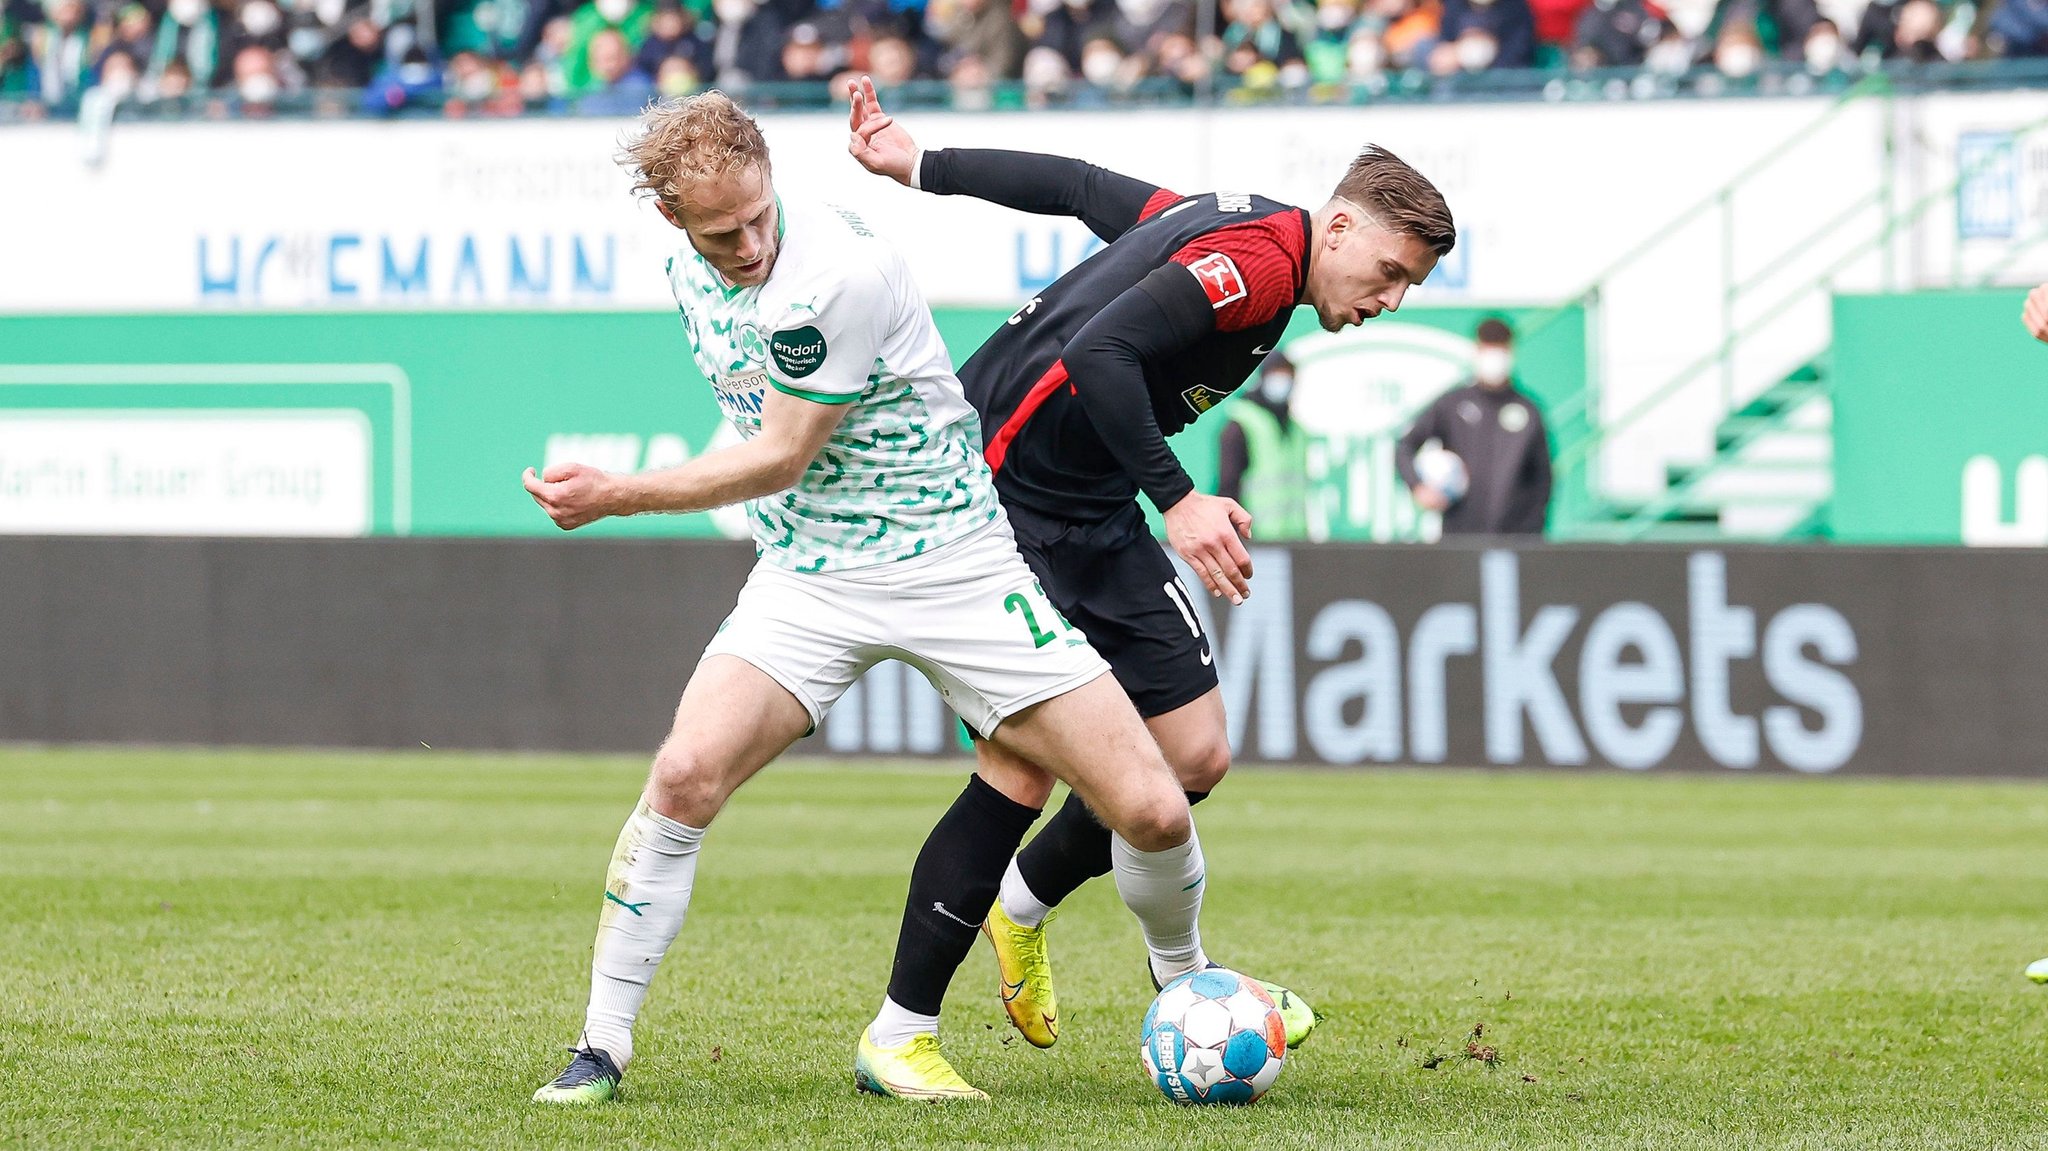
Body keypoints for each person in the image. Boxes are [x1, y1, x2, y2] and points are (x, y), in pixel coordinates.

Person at [526, 90, 1225, 1106]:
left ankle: (1188, 987)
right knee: (681, 775)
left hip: (954, 563)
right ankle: (600, 1043)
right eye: (722, 231)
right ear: (673, 220)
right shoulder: (689, 264)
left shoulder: (833, 273)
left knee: (1155, 808)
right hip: (810, 575)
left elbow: (778, 453)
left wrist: (619, 494)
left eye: (761, 213)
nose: (751, 241)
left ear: (772, 176)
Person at [848, 76, 1454, 1051]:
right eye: (1388, 272)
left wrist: (923, 164)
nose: (1387, 299)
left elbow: (1083, 185)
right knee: (1018, 766)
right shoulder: (1254, 267)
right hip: (996, 498)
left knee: (1193, 755)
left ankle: (1028, 906)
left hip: (1088, 504)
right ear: (1337, 228)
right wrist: (1178, 497)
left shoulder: (1232, 226)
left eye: (1407, 290)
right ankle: (901, 1033)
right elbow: (1101, 352)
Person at [1394, 315, 1553, 536]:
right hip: (1459, 536)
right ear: (1477, 351)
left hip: (1513, 540)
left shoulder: (1528, 411)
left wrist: (1531, 530)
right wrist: (1418, 486)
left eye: (1501, 350)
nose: (1495, 359)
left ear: (1511, 352)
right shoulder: (1453, 404)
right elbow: (1405, 446)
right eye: (1489, 349)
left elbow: (1543, 477)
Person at [1215, 352, 1310, 541]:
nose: (1282, 382)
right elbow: (1229, 485)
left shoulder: (1297, 430)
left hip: (1294, 540)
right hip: (1253, 538)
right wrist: (1235, 535)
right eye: (1276, 374)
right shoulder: (1241, 424)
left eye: (1287, 375)